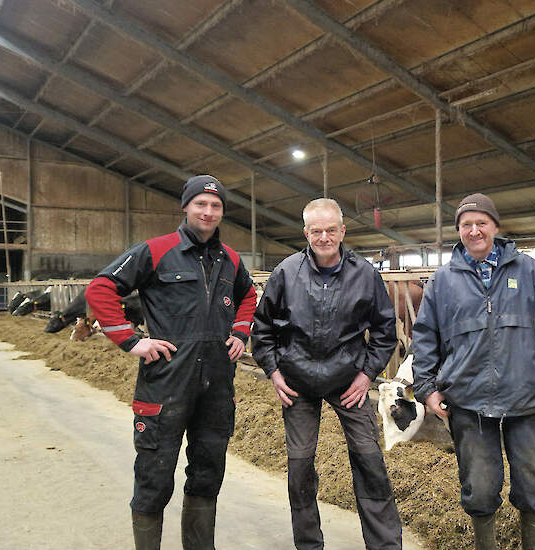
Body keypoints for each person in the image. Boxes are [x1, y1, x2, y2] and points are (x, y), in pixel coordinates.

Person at [85, 175, 258, 550]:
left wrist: (240, 332)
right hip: (164, 384)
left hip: (216, 386)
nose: (208, 211)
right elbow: (100, 288)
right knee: (154, 475)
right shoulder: (155, 250)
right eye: (201, 204)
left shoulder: (230, 258)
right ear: (186, 206)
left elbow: (248, 295)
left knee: (208, 473)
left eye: (216, 206)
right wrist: (132, 341)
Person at [410, 193, 535, 550]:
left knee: (534, 484)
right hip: (468, 397)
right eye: (466, 224)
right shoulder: (442, 280)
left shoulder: (527, 270)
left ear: (496, 227)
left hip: (524, 393)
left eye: (481, 222)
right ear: (459, 232)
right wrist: (426, 388)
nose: (474, 230)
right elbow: (424, 337)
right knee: (480, 486)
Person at [251, 198, 403, 550]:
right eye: (316, 231)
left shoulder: (365, 273)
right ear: (306, 233)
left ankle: (384, 546)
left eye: (330, 230)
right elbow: (262, 330)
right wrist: (274, 372)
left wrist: (366, 376)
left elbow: (384, 331)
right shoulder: (286, 272)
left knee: (369, 460)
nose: (323, 237)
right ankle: (308, 545)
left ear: (342, 231)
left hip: (349, 379)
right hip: (297, 382)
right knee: (300, 466)